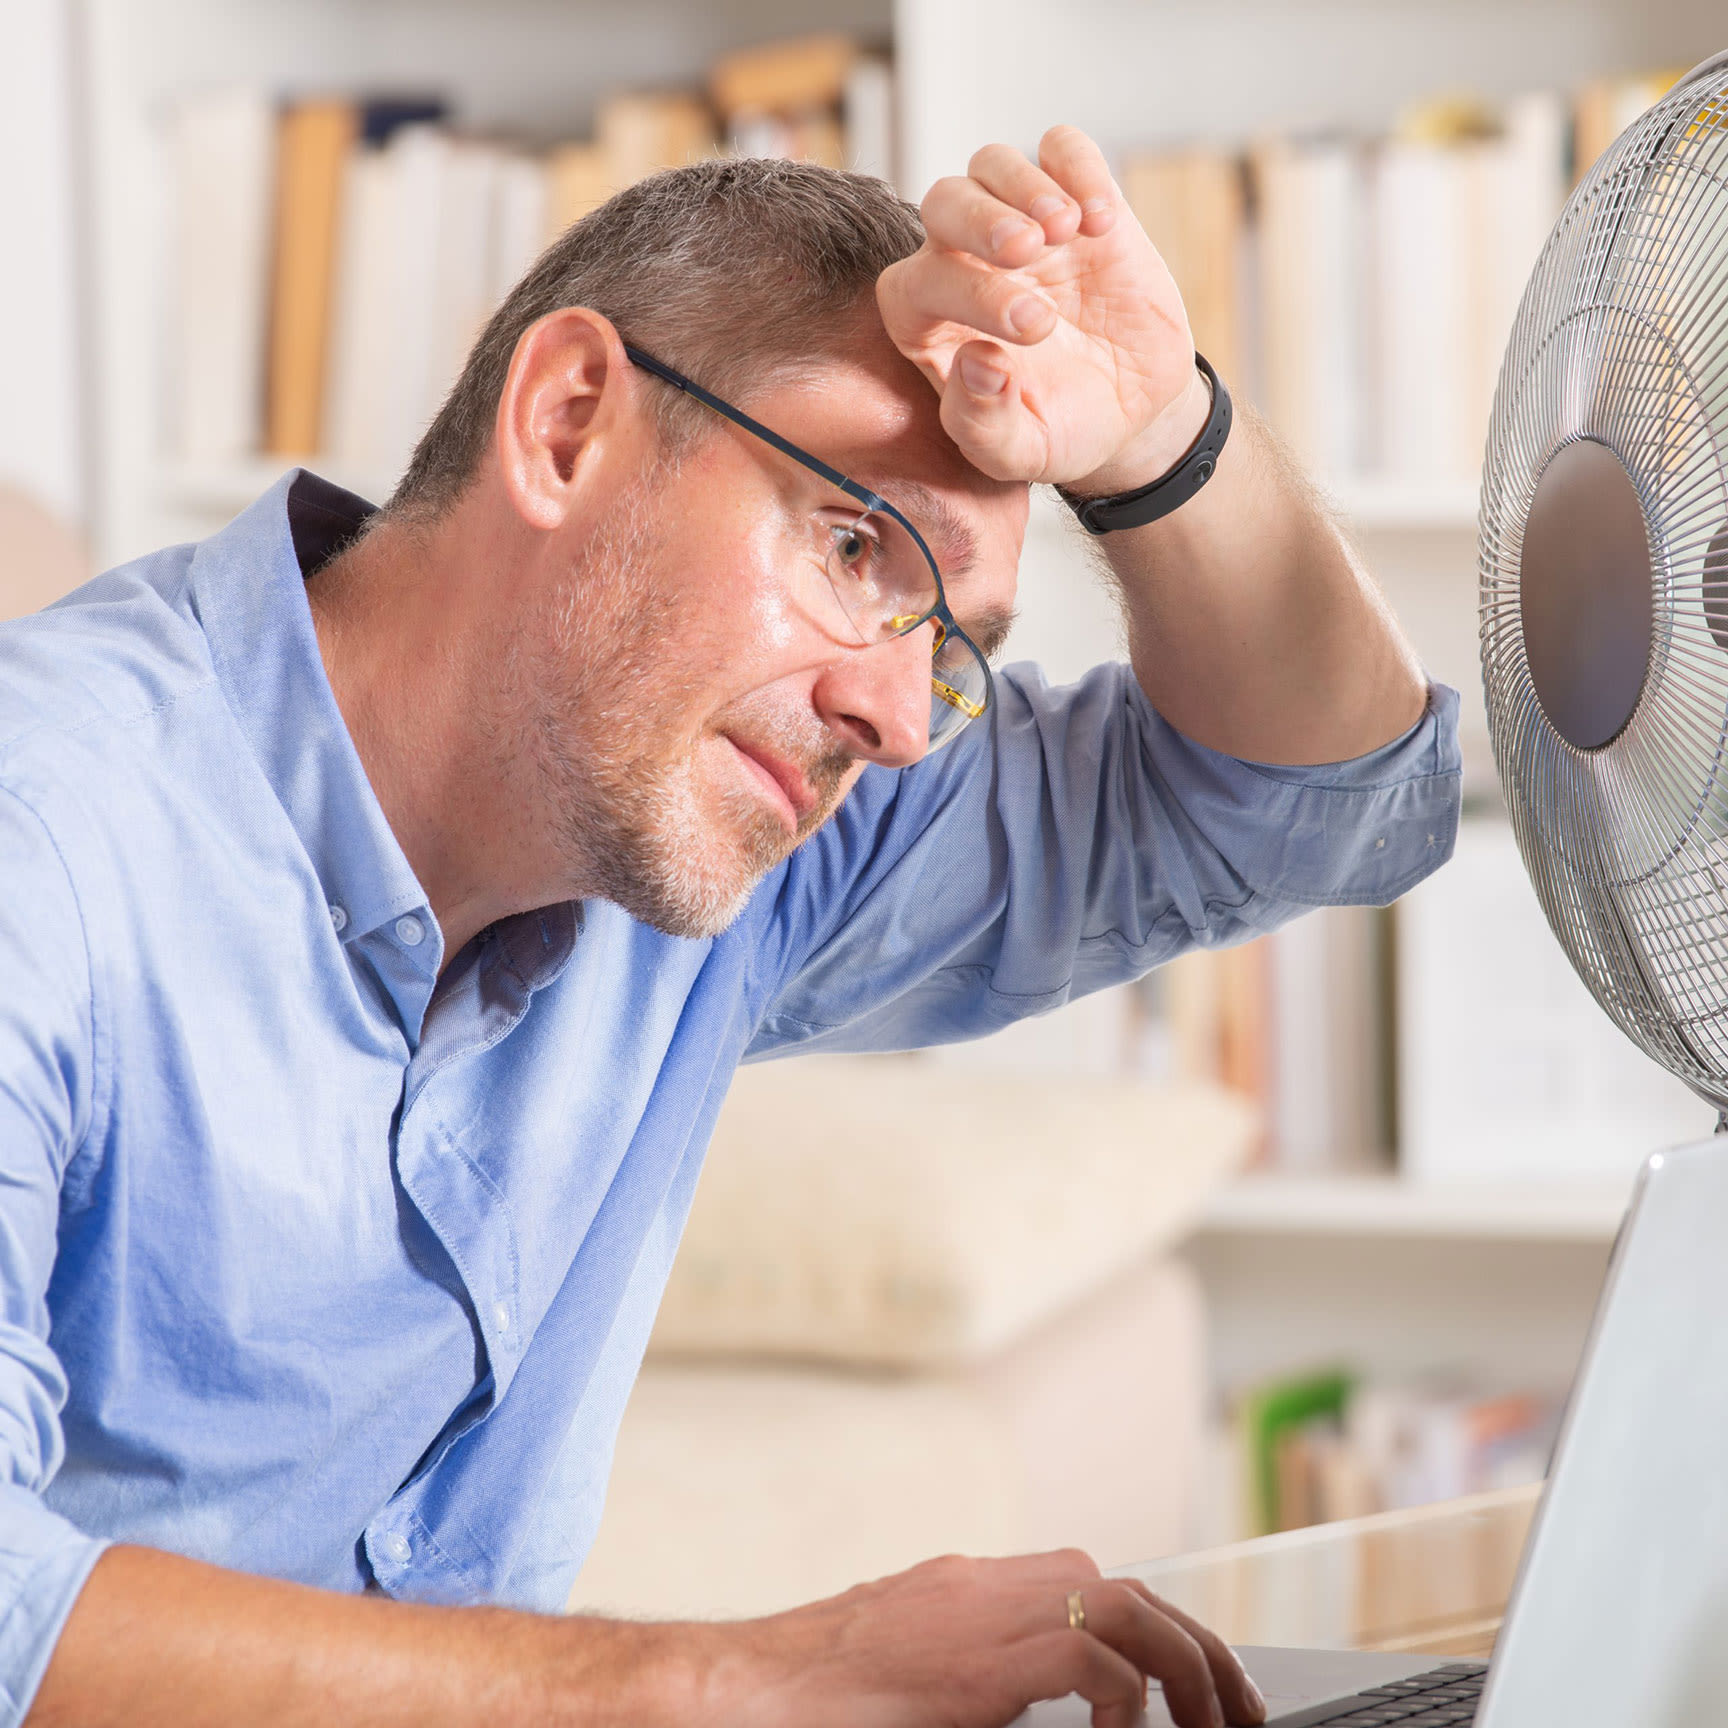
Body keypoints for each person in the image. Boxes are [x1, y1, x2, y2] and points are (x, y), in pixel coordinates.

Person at [3, 129, 1458, 1727]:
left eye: (955, 647)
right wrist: (730, 1682)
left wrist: (1163, 433)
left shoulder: (711, 837)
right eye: (855, 550)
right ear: (568, 426)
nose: (900, 720)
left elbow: (1333, 806)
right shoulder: (53, 828)